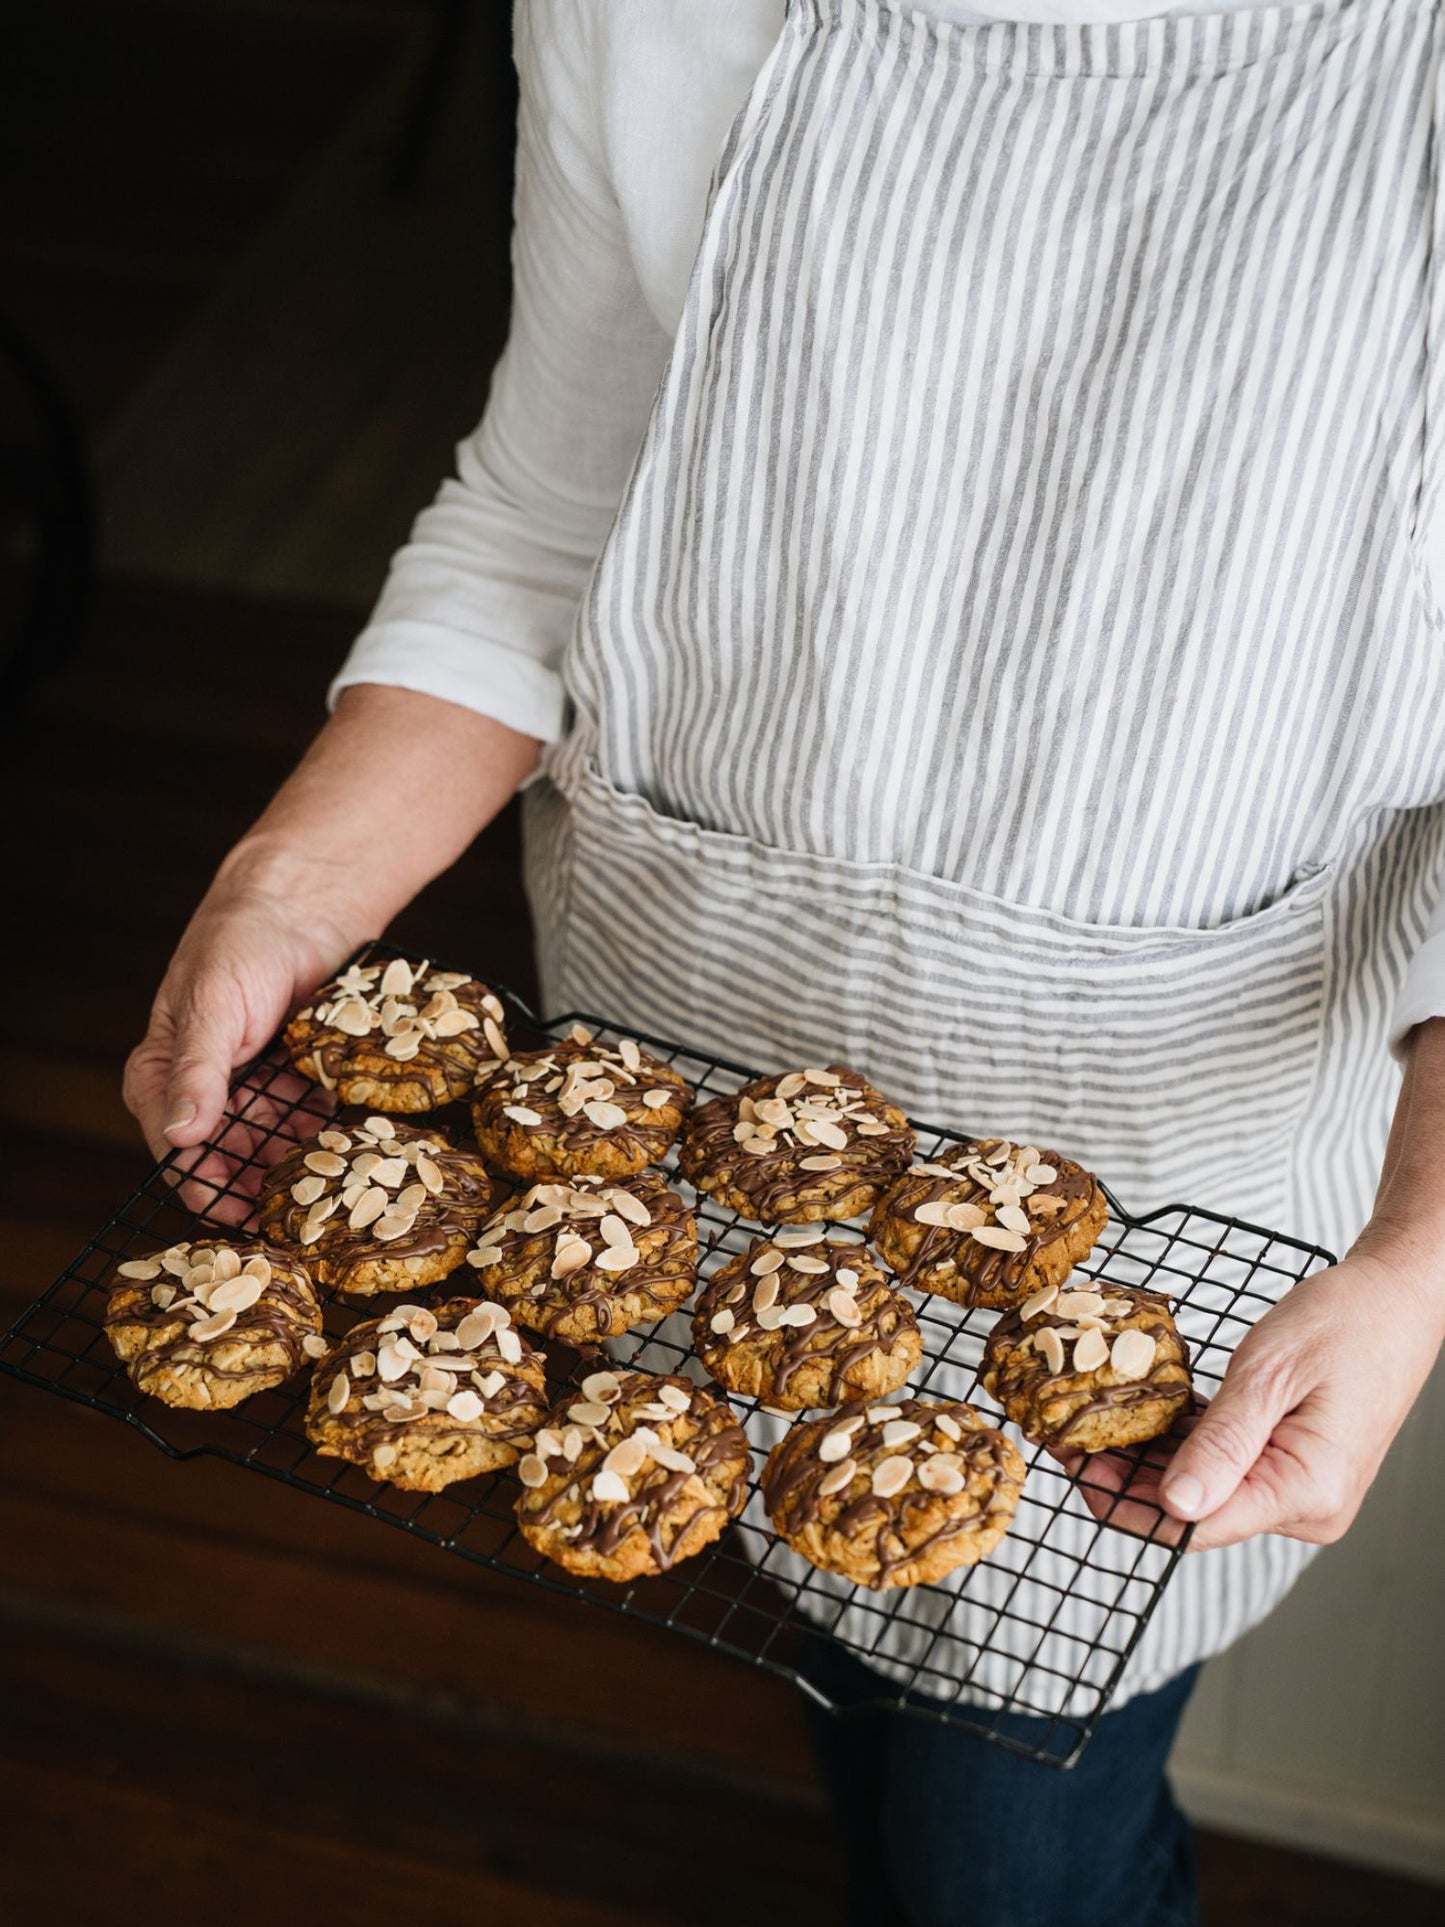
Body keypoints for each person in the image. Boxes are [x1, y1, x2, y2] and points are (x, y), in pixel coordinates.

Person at [125, 3, 1445, 1921]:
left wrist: (1420, 1251)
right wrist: (288, 890)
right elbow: (549, 506)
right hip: (688, 1043)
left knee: (1000, 1867)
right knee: (813, 1589)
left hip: (1183, 1137)